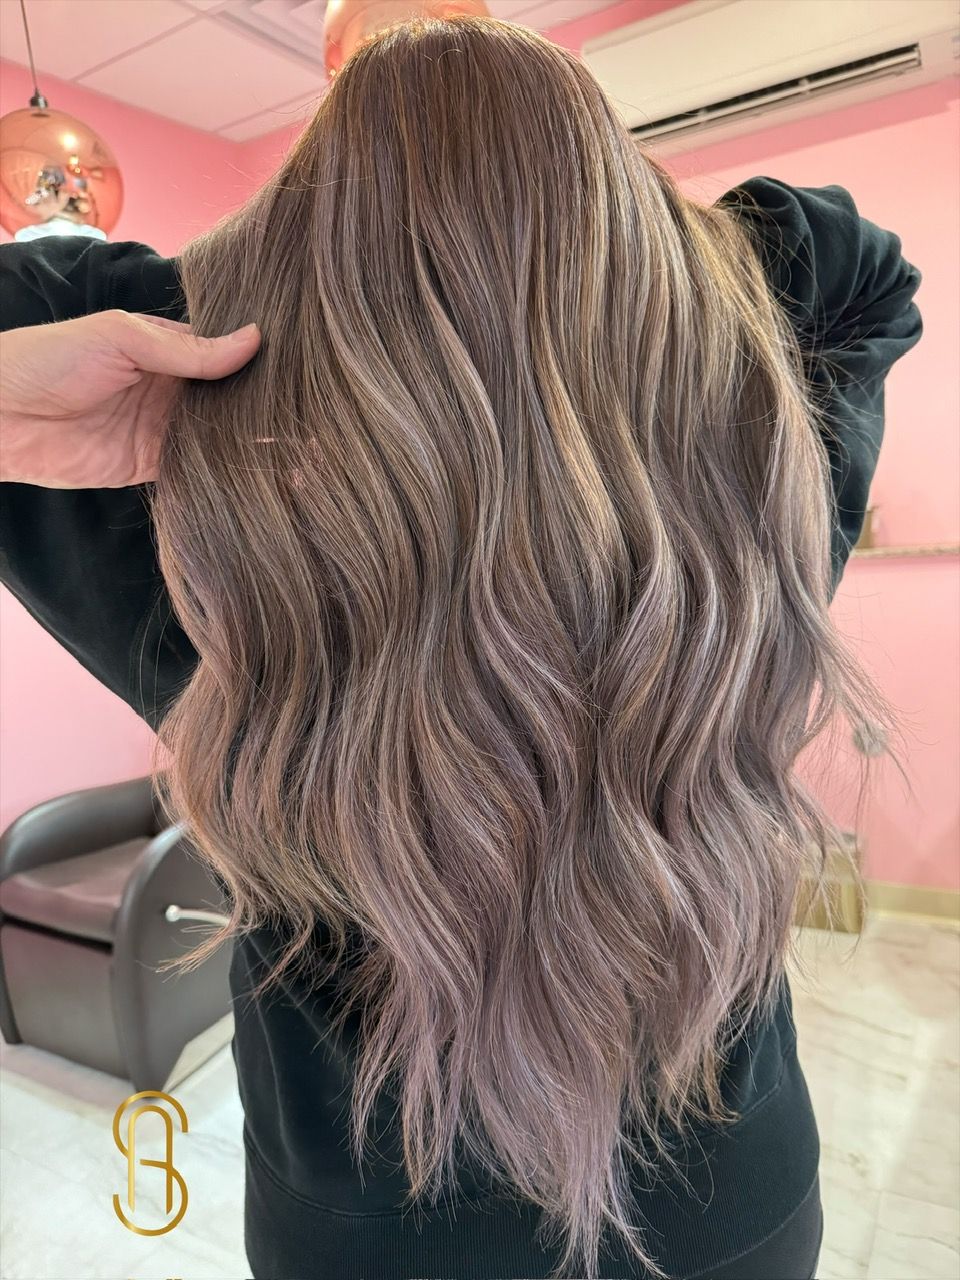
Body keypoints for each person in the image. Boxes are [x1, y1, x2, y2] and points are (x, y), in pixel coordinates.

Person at [0, 16, 922, 1280]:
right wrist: (607, 232)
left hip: (363, 1222)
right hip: (731, 1198)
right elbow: (857, 262)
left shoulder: (182, 469)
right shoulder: (743, 449)